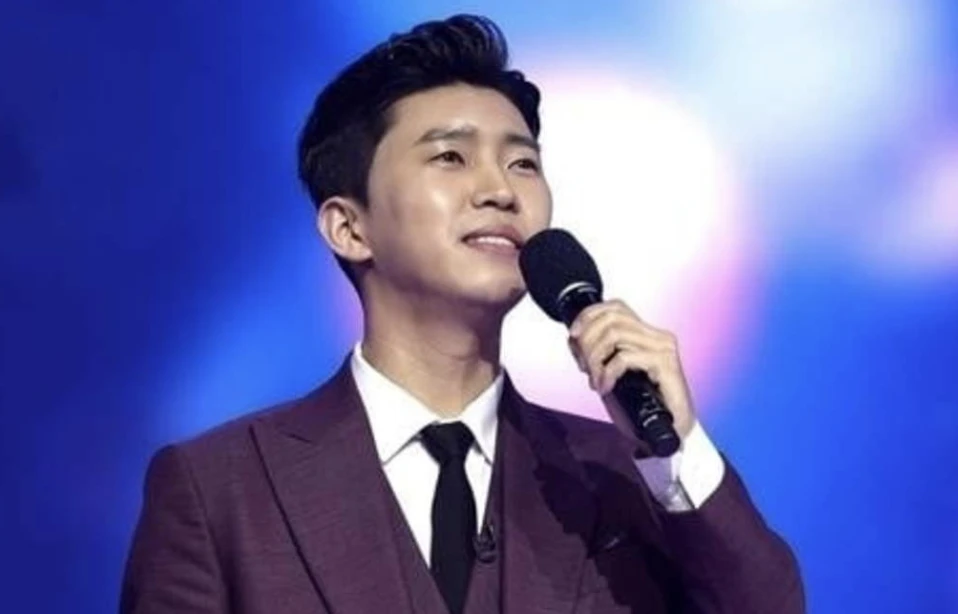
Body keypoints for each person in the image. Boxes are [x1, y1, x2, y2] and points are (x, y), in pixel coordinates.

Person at [120, 14, 804, 614]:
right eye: (451, 156)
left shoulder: (620, 476)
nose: (500, 191)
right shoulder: (220, 487)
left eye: (523, 164)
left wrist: (675, 450)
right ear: (349, 228)